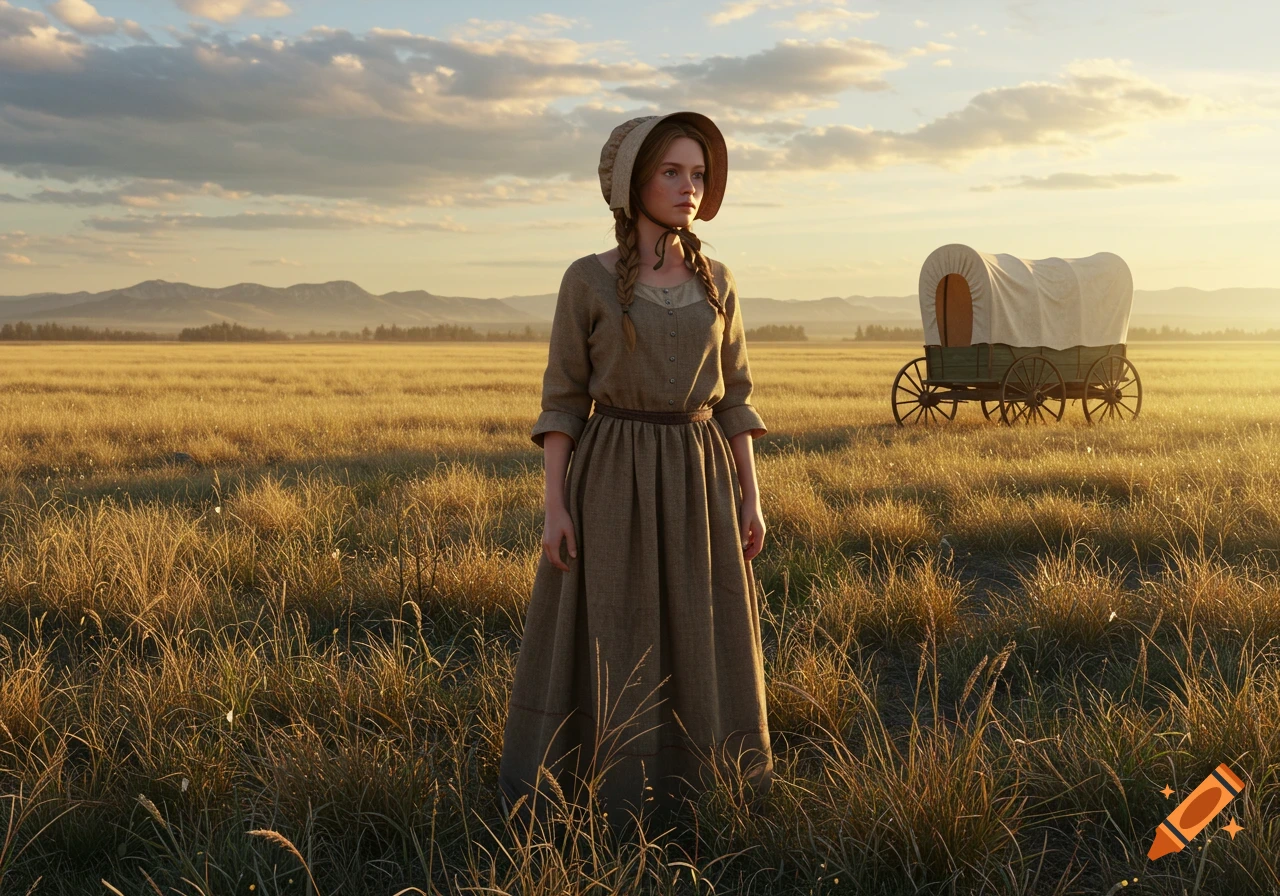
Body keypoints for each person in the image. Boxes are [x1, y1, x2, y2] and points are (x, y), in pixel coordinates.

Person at [498, 111, 773, 834]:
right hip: (611, 481)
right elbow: (563, 403)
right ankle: (603, 796)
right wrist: (555, 507)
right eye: (671, 172)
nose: (689, 188)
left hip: (701, 481)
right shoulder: (586, 281)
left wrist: (751, 496)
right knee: (613, 634)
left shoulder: (720, 280)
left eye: (699, 174)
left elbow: (735, 398)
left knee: (702, 629)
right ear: (633, 183)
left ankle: (706, 795)